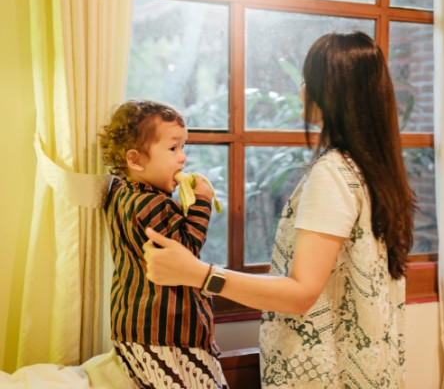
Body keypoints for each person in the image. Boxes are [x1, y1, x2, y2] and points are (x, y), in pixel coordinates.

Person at [143, 31, 415, 388]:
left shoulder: (333, 174)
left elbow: (302, 293)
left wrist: (199, 274)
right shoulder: (372, 170)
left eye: (307, 80)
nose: (301, 89)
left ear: (328, 91)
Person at [99, 99, 228, 389]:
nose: (182, 158)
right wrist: (202, 203)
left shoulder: (122, 194)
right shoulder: (151, 205)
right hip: (167, 329)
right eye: (173, 148)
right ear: (136, 160)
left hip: (135, 327)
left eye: (183, 148)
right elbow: (185, 253)